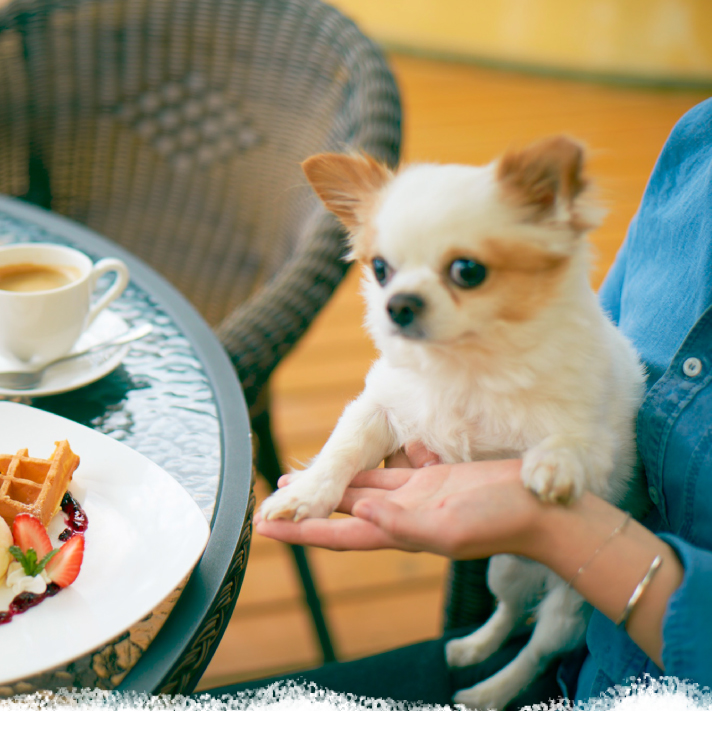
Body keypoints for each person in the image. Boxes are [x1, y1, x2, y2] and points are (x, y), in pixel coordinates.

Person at [206, 97, 712, 708]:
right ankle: (501, 627)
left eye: (465, 271)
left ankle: (525, 664)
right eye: (386, 269)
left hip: (642, 683)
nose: (402, 298)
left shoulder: (566, 364)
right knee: (506, 582)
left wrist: (564, 509)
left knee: (557, 616)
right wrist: (324, 479)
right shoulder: (697, 143)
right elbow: (378, 409)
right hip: (537, 556)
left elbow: (582, 435)